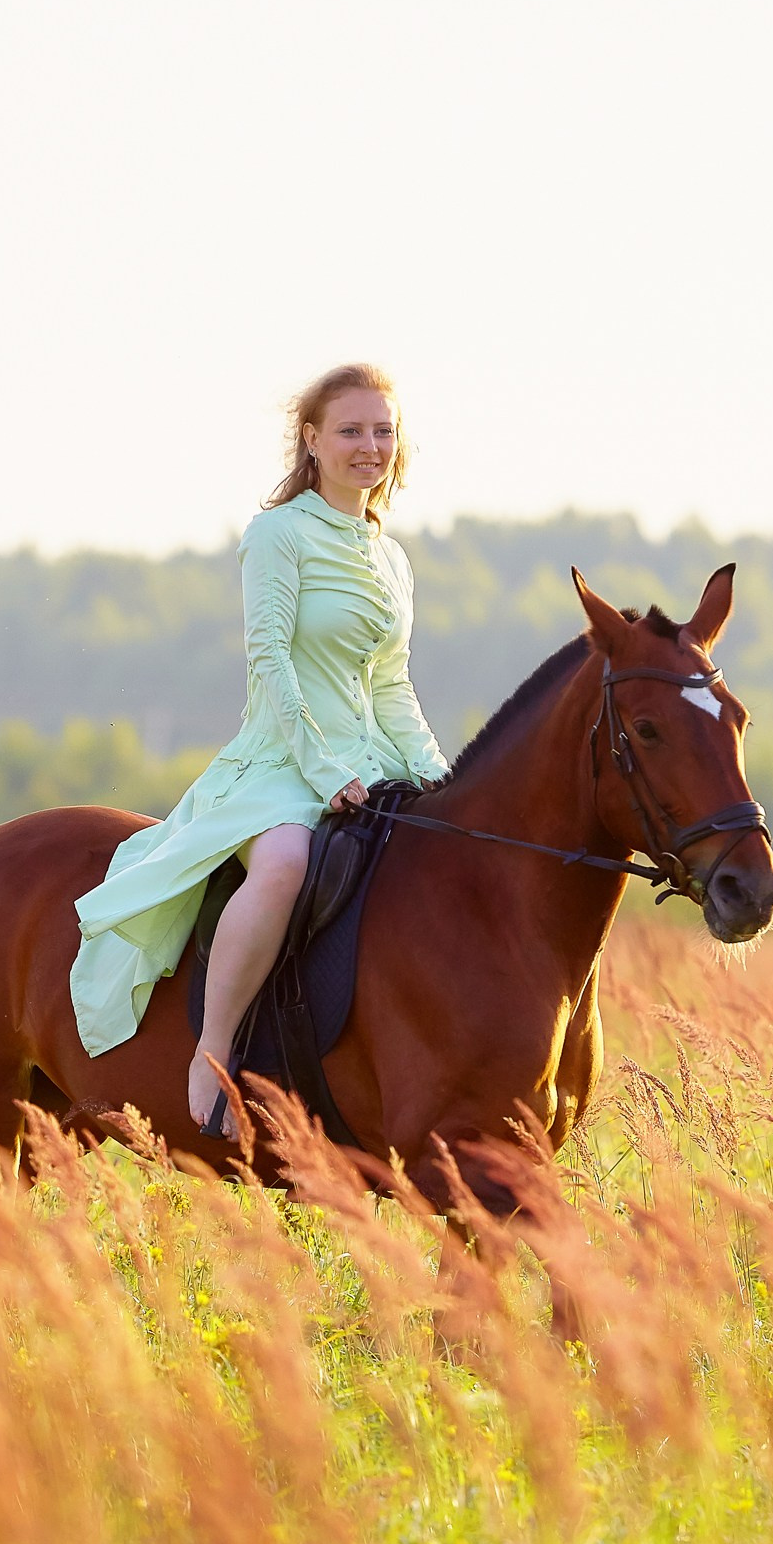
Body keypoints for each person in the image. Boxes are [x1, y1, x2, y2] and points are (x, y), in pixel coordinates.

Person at [69, 364, 450, 1131]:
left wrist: (443, 780)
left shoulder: (392, 559)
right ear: (312, 440)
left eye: (383, 430)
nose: (369, 446)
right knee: (282, 867)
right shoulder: (278, 534)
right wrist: (321, 767)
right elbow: (270, 660)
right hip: (283, 764)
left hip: (371, 766)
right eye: (350, 430)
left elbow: (391, 687)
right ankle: (214, 1056)